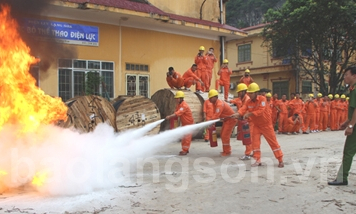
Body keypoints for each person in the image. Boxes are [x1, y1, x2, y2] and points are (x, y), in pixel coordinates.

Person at [232, 83, 284, 168]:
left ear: (256, 93)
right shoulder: (248, 101)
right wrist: (238, 114)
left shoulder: (262, 99)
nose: (250, 95)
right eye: (249, 93)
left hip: (266, 125)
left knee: (273, 143)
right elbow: (243, 108)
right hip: (256, 125)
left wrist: (250, 114)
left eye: (251, 93)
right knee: (255, 143)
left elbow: (261, 111)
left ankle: (280, 159)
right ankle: (257, 160)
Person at [328, 66, 356, 186]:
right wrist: (347, 121)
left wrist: (351, 126)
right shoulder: (352, 89)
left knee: (348, 152)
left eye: (346, 75)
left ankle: (342, 178)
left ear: (354, 76)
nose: (344, 77)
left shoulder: (355, 90)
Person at [208, 89, 237, 156]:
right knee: (222, 135)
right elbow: (215, 114)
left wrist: (211, 121)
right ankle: (226, 150)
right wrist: (212, 122)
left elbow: (216, 115)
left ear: (215, 97)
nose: (209, 99)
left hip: (231, 120)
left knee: (225, 136)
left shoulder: (219, 104)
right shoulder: (214, 104)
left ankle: (227, 151)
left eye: (211, 98)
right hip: (227, 120)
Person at [165, 91, 194, 156]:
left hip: (189, 123)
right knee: (184, 137)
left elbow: (178, 113)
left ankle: (185, 150)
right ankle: (184, 149)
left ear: (181, 98)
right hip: (184, 123)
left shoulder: (184, 106)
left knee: (187, 137)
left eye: (177, 98)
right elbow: (176, 112)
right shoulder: (179, 105)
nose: (176, 99)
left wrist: (170, 116)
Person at [230, 83, 252, 160]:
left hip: (249, 121)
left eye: (239, 92)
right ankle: (252, 152)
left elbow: (246, 111)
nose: (238, 93)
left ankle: (247, 154)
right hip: (246, 120)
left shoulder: (247, 99)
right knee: (250, 138)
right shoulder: (242, 99)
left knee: (247, 137)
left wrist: (238, 115)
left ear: (244, 91)